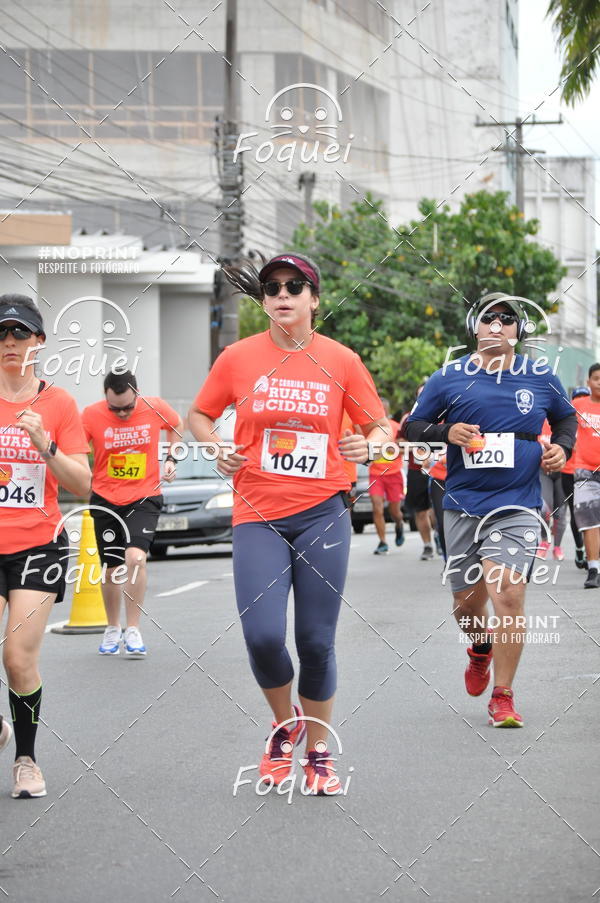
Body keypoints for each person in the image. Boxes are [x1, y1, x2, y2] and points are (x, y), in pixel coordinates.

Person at [189, 252, 389, 794]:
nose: (282, 293)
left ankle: (319, 750)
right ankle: (284, 725)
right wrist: (216, 449)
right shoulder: (236, 358)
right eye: (272, 286)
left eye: (294, 286)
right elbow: (200, 415)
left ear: (313, 299)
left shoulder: (342, 361)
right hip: (256, 513)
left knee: (316, 642)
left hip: (323, 510)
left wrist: (364, 445)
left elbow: (382, 430)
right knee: (261, 636)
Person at [406, 292, 576, 727]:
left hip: (518, 504)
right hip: (463, 504)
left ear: (518, 331)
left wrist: (561, 447)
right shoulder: (449, 377)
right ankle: (480, 647)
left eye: (507, 319)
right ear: (475, 329)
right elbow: (411, 427)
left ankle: (503, 695)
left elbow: (566, 419)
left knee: (509, 593)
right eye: (488, 319)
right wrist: (447, 431)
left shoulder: (541, 376)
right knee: (466, 606)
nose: (497, 325)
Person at [0, 294, 90, 797]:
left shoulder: (58, 404)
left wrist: (45, 446)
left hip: (38, 546)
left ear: (39, 342)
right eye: (2, 335)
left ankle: (27, 759)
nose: (10, 343)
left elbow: (81, 482)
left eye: (20, 334)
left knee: (16, 658)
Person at [81, 371, 183, 656]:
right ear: (105, 399)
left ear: (137, 394)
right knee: (112, 568)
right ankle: (113, 627)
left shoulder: (155, 407)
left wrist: (171, 458)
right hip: (106, 498)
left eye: (128, 407)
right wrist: (81, 470)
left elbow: (176, 424)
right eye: (116, 409)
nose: (123, 413)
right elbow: (74, 446)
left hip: (144, 495)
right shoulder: (90, 415)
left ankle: (133, 628)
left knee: (136, 557)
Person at [399, 386, 436, 560]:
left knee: (439, 510)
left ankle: (441, 534)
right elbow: (399, 441)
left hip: (442, 470)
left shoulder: (444, 414)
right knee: (421, 511)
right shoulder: (408, 418)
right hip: (417, 470)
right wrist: (418, 450)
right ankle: (427, 545)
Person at [572, 365, 600, 588]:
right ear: (589, 382)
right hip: (584, 470)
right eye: (596, 378)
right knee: (588, 520)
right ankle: (593, 569)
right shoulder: (577, 406)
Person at [369, 399, 404, 555]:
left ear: (387, 410)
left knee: (395, 511)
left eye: (383, 409)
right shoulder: (370, 428)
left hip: (394, 473)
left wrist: (394, 447)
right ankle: (382, 542)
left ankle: (399, 524)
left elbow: (405, 447)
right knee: (377, 507)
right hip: (376, 474)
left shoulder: (395, 427)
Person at [562, 386, 590, 570]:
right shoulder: (570, 419)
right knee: (582, 512)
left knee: (581, 513)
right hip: (574, 472)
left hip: (579, 471)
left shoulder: (570, 414)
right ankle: (584, 549)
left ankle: (584, 550)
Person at [537, 419, 568, 561]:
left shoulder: (566, 423)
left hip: (564, 472)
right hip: (544, 471)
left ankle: (557, 547)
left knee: (560, 513)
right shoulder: (538, 419)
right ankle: (544, 540)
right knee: (545, 509)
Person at [428, 453, 447, 560]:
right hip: (439, 478)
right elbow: (420, 450)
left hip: (464, 478)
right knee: (443, 522)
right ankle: (448, 561)